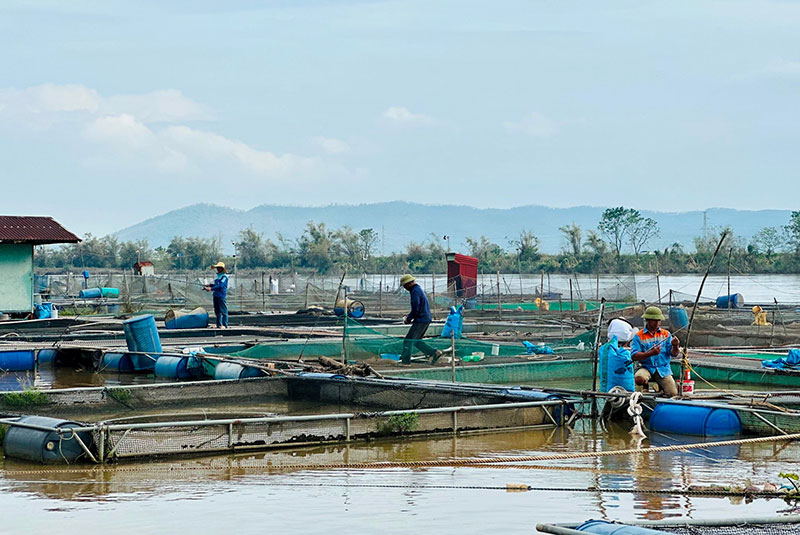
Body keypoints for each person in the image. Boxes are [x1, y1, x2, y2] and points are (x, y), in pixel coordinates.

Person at [631, 306, 680, 396]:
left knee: (673, 393)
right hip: (646, 367)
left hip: (663, 369)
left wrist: (675, 345)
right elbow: (634, 356)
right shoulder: (638, 336)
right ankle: (645, 386)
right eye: (655, 320)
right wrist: (650, 353)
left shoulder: (666, 334)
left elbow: (674, 354)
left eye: (659, 320)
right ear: (648, 320)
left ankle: (659, 388)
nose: (658, 323)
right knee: (639, 379)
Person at [399, 274, 443, 365]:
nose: (405, 288)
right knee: (417, 341)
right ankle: (434, 352)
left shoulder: (415, 291)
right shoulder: (417, 290)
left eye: (405, 285)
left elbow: (416, 308)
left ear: (409, 283)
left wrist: (408, 319)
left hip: (421, 319)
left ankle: (405, 362)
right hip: (425, 318)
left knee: (408, 341)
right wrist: (410, 316)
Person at [204, 262, 229, 328]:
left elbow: (220, 285)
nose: (217, 269)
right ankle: (219, 325)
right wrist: (209, 285)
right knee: (217, 311)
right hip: (216, 295)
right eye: (217, 268)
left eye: (219, 268)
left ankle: (225, 325)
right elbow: (216, 285)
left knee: (223, 311)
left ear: (222, 269)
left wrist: (211, 289)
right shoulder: (218, 276)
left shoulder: (224, 277)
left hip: (221, 295)